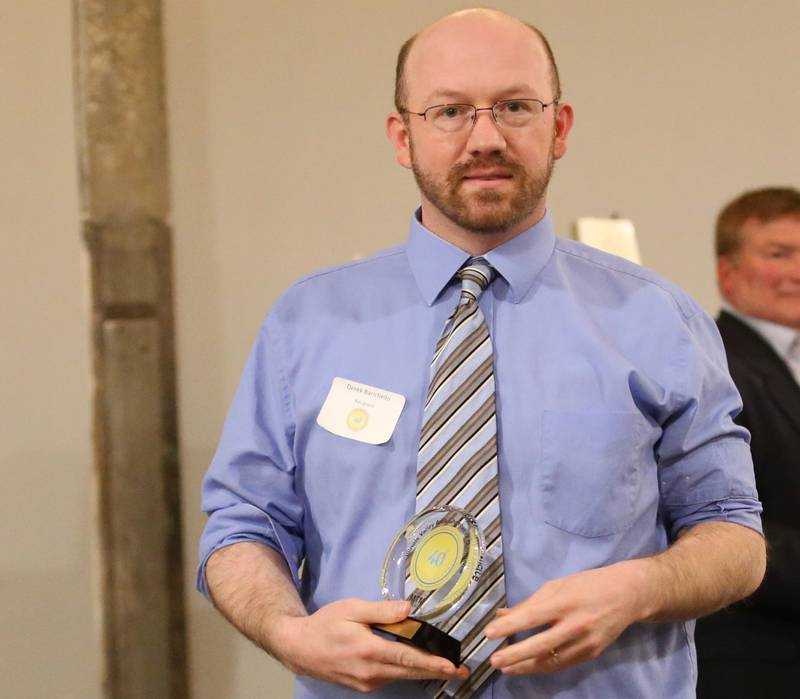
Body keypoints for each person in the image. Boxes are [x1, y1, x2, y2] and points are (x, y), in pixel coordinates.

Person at [198, 9, 766, 698]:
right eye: (449, 111)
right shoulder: (308, 321)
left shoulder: (658, 320)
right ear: (402, 136)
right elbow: (242, 524)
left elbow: (734, 539)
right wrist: (291, 631)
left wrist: (639, 587)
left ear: (559, 127)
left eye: (515, 107)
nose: (486, 137)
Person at [695, 187, 800, 698]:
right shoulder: (715, 366)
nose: (798, 271)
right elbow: (722, 515)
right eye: (779, 254)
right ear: (728, 272)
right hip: (758, 658)